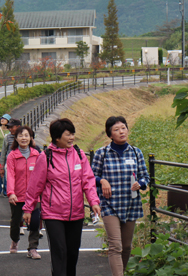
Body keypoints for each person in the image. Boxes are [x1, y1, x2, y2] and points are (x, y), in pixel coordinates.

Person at [23, 118, 101, 276]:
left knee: (72, 254)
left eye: (73, 134)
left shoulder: (79, 154)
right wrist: (28, 208)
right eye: (68, 134)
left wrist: (93, 201)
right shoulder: (46, 157)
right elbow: (35, 185)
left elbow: (88, 180)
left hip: (76, 212)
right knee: (60, 252)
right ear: (57, 137)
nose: (72, 137)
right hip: (54, 214)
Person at [91, 116, 150, 276]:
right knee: (115, 246)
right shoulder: (102, 153)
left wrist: (141, 183)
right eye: (116, 129)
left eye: (123, 128)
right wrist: (102, 180)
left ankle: (120, 272)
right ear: (110, 134)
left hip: (131, 204)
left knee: (127, 246)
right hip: (110, 204)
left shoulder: (136, 152)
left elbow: (145, 177)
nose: (121, 131)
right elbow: (90, 177)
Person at [6, 126, 41, 259]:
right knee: (16, 222)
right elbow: (10, 175)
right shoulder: (12, 156)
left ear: (31, 138)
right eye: (20, 135)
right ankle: (15, 240)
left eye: (26, 135)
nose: (24, 138)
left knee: (35, 222)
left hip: (33, 196)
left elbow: (40, 175)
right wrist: (11, 192)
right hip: (17, 195)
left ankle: (33, 248)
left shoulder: (37, 155)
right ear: (16, 138)